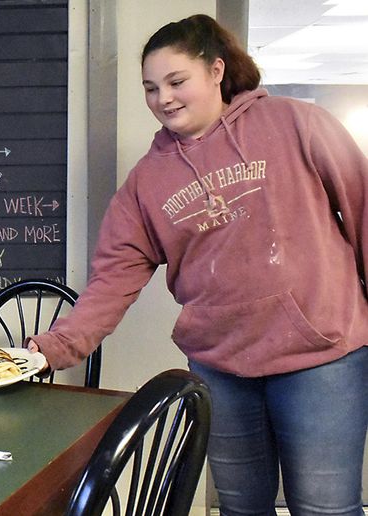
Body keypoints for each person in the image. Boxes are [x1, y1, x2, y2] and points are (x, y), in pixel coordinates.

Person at [27, 14, 367, 516]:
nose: (163, 98)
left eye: (176, 81)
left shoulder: (298, 123)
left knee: (325, 509)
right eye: (150, 88)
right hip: (221, 367)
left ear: (216, 71)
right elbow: (112, 280)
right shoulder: (146, 182)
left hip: (322, 357)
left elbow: (363, 212)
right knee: (239, 508)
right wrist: (50, 349)